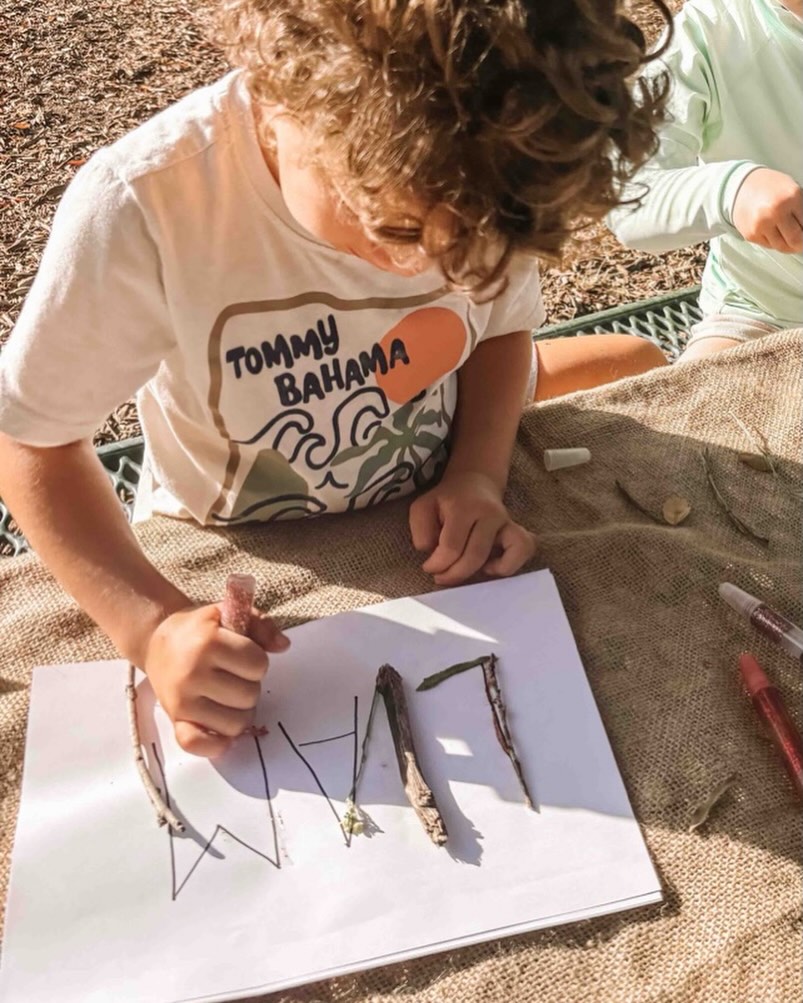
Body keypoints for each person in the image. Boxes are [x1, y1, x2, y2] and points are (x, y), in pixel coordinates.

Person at [0, 0, 670, 757]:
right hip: (223, 543)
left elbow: (501, 328)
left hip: (420, 524)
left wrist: (478, 472)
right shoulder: (148, 204)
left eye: (474, 247)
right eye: (397, 229)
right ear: (279, 90)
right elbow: (31, 440)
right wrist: (152, 626)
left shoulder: (491, 167)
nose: (432, 267)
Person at [609, 0, 803, 362]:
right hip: (762, 312)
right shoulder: (712, 29)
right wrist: (732, 189)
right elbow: (630, 199)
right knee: (699, 406)